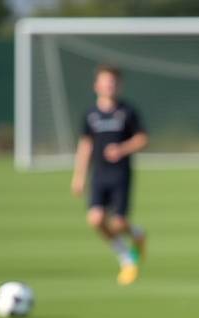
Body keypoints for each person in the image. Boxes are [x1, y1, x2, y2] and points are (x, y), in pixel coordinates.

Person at [70, 65, 148, 286]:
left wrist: (121, 149)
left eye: (113, 82)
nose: (109, 86)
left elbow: (143, 139)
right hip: (99, 174)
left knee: (120, 223)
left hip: (120, 174)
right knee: (95, 219)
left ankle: (136, 233)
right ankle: (125, 256)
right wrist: (79, 176)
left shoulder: (127, 111)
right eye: (105, 82)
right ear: (96, 85)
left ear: (119, 85)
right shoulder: (90, 115)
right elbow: (85, 145)